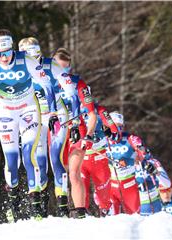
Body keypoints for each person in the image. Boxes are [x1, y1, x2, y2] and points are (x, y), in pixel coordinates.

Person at [0, 29, 60, 222]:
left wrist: (52, 111)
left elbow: (46, 84)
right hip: (5, 112)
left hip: (29, 109)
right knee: (12, 161)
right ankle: (13, 203)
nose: (4, 57)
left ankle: (36, 203)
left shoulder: (25, 60)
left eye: (7, 52)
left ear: (12, 48)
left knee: (29, 154)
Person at [18, 37, 80, 217]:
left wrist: (75, 122)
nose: (32, 64)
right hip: (35, 115)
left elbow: (72, 93)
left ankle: (62, 206)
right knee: (39, 160)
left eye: (35, 58)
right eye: (28, 59)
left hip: (57, 115)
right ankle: (39, 204)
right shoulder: (18, 67)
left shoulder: (51, 65)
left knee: (56, 157)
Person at [53, 48, 98, 218]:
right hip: (56, 131)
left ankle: (80, 211)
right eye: (58, 67)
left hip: (76, 130)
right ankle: (62, 209)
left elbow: (92, 114)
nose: (62, 72)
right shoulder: (46, 83)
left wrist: (89, 134)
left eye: (65, 68)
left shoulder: (79, 84)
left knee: (73, 172)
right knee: (59, 171)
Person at [80, 103, 119, 217]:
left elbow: (116, 135)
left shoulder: (101, 110)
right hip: (81, 156)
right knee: (81, 185)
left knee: (103, 190)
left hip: (99, 157)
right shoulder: (75, 108)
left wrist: (109, 133)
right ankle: (82, 211)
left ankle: (105, 211)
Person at [105, 111, 144, 215]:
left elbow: (142, 152)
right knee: (111, 219)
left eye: (120, 127)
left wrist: (130, 159)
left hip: (129, 184)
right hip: (110, 186)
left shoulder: (130, 138)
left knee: (134, 217)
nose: (117, 130)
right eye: (114, 126)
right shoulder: (103, 140)